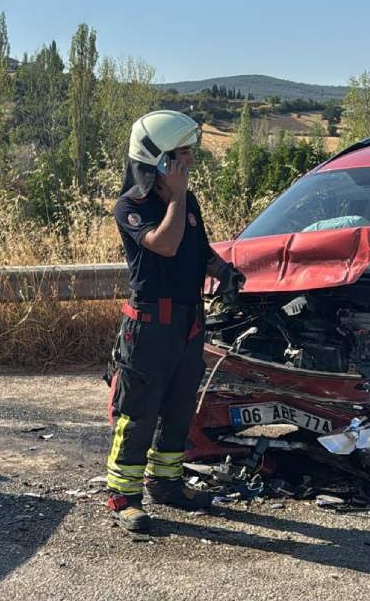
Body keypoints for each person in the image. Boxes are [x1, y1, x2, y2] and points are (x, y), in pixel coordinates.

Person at [104, 110, 245, 533]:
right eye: (182, 156)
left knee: (180, 408)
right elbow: (164, 245)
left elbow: (199, 250)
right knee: (138, 411)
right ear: (160, 161)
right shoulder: (131, 205)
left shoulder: (189, 203)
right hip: (149, 327)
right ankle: (123, 496)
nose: (190, 163)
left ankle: (166, 483)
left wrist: (225, 272)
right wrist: (178, 197)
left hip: (187, 325)